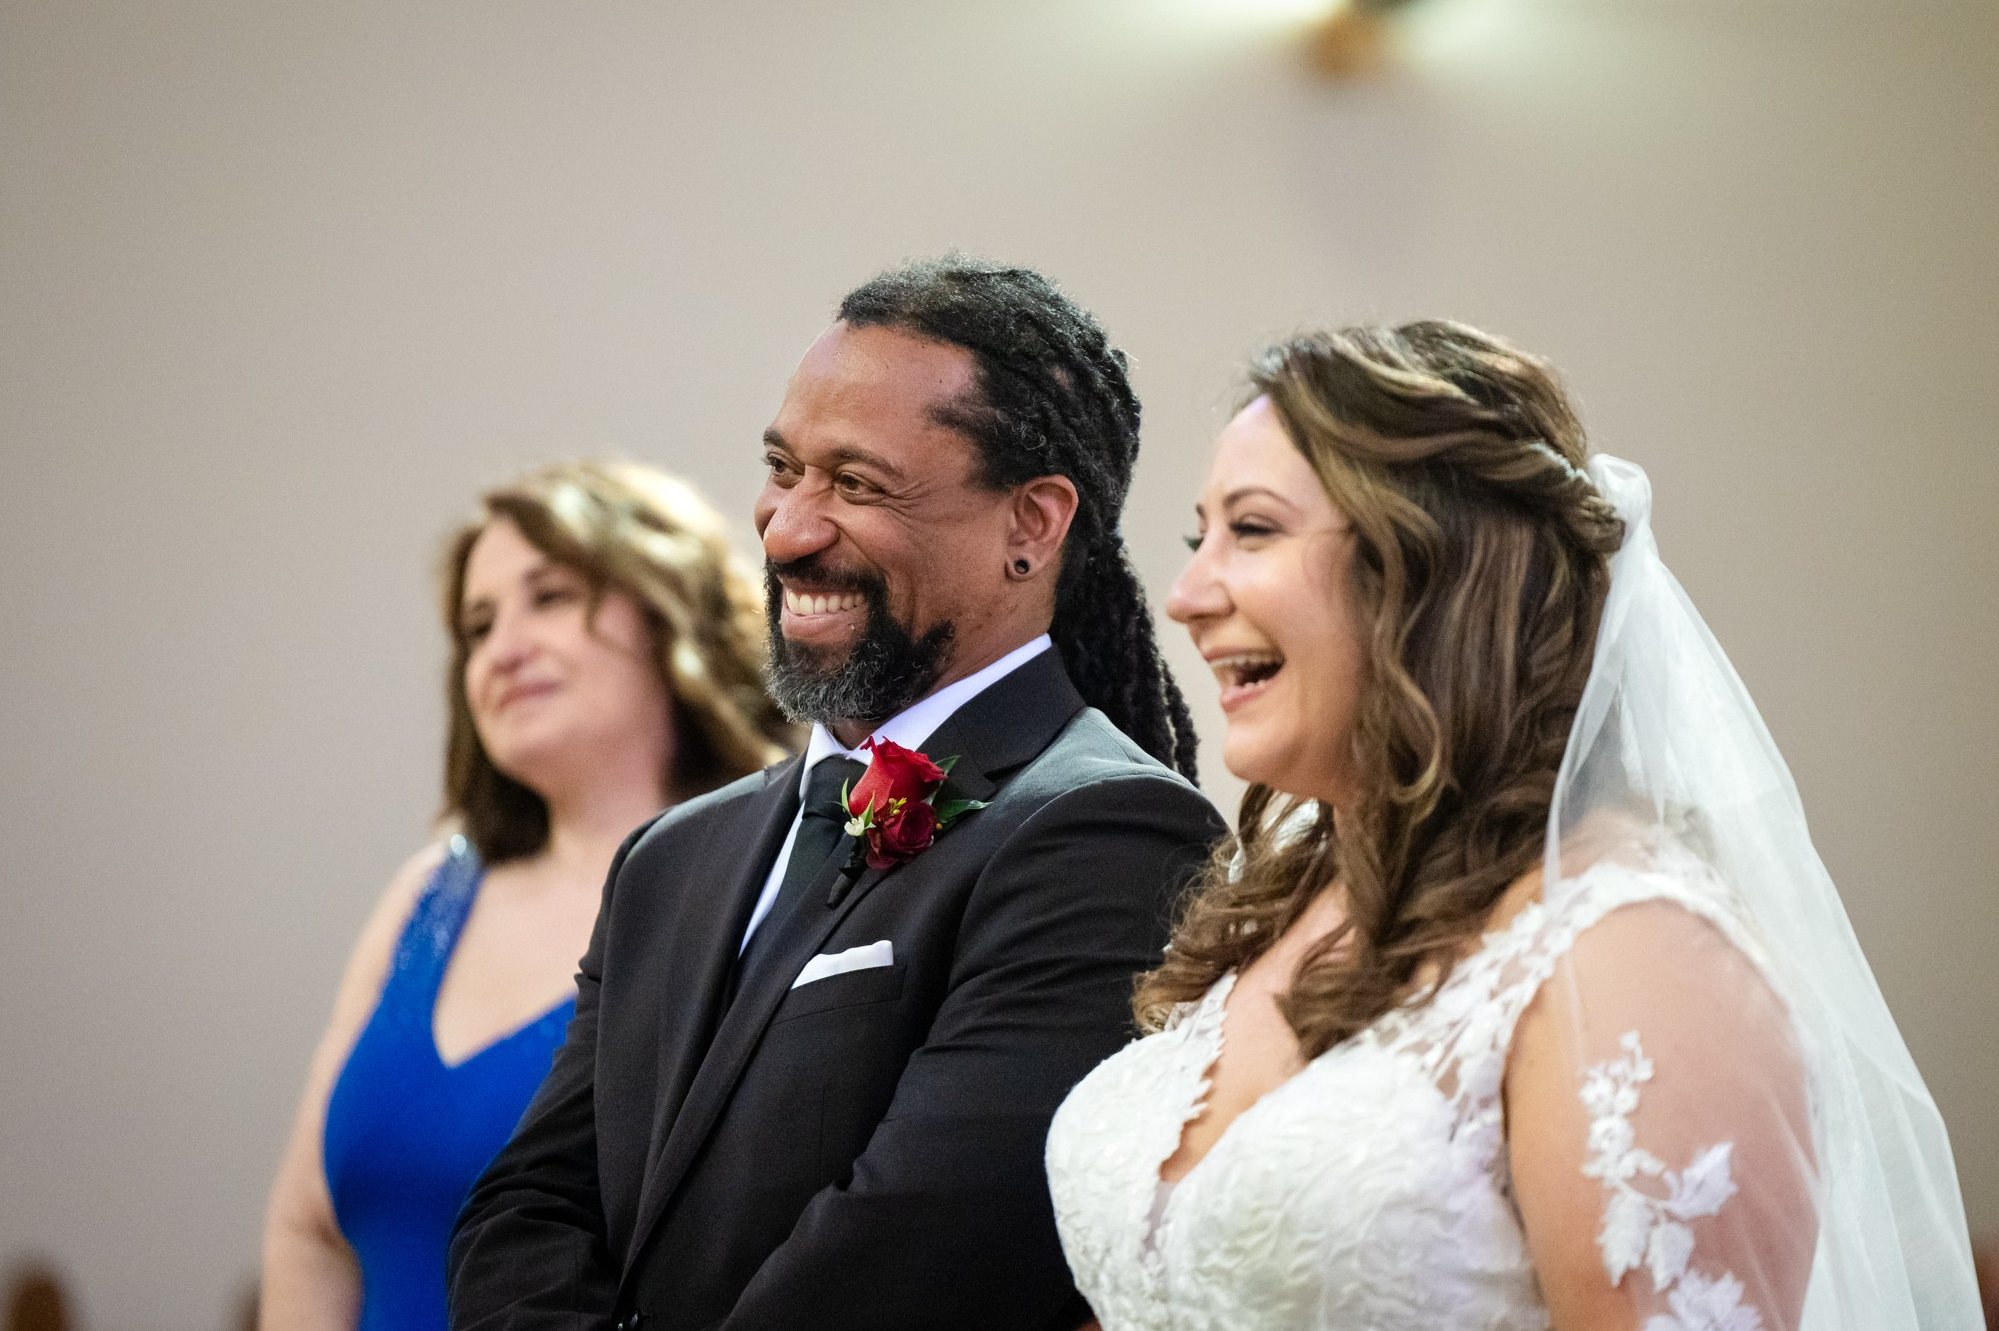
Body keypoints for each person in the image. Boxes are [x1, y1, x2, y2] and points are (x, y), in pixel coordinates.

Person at [1046, 323, 1983, 1330]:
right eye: (1201, 539)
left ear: (1435, 571)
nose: (1185, 596)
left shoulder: (1627, 950)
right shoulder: (1276, 898)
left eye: (1256, 530)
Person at [447, 257, 1226, 1331]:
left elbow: (916, 1259)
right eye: (782, 469)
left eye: (855, 484)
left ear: (1032, 524)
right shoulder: (672, 854)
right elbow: (526, 1208)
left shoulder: (1104, 832)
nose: (785, 531)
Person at [261, 460, 794, 1331]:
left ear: (672, 615)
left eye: (548, 596)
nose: (502, 648)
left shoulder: (771, 888)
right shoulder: (426, 897)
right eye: (477, 625)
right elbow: (306, 1231)